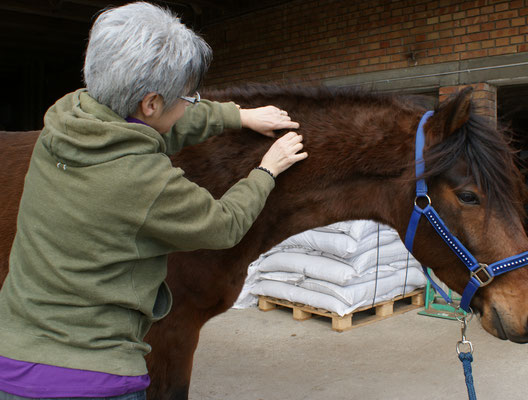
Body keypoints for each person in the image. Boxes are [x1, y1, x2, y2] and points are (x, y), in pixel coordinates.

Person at [0, 2, 307, 399]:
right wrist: (267, 170)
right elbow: (222, 223)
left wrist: (238, 116)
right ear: (150, 104)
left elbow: (155, 125)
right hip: (92, 380)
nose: (190, 105)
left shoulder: (65, 121)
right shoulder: (144, 180)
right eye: (188, 98)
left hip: (11, 360)